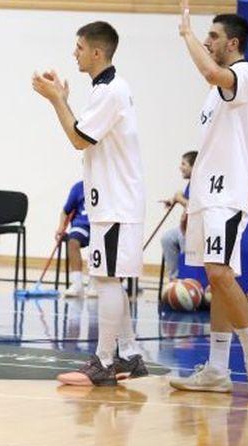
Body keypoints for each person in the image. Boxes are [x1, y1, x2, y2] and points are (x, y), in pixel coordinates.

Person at [32, 21, 148, 386]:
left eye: (79, 47)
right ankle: (130, 354)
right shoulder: (106, 89)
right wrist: (63, 99)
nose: (74, 53)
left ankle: (104, 361)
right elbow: (83, 130)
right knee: (108, 278)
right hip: (111, 202)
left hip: (116, 203)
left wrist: (55, 100)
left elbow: (78, 139)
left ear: (97, 52)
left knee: (106, 280)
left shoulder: (110, 91)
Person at [170, 0, 248, 397]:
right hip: (208, 196)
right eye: (205, 35)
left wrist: (186, 33)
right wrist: (192, 200)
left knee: (220, 273)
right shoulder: (216, 94)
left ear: (233, 43)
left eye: (213, 36)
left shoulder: (247, 74)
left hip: (228, 195)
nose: (207, 41)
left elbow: (210, 71)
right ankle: (218, 370)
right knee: (217, 277)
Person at [159, 151, 197, 281]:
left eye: (184, 164)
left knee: (182, 237)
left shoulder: (201, 183)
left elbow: (193, 206)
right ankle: (174, 278)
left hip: (196, 230)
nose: (180, 167)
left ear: (194, 167)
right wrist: (173, 199)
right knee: (167, 238)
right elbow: (185, 198)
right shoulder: (191, 183)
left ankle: (186, 278)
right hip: (185, 228)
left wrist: (178, 198)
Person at [58, 180, 91, 298]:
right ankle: (77, 284)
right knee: (72, 242)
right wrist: (61, 227)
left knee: (99, 246)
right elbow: (65, 211)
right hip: (81, 225)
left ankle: (95, 283)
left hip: (100, 225)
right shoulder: (78, 187)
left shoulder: (107, 186)